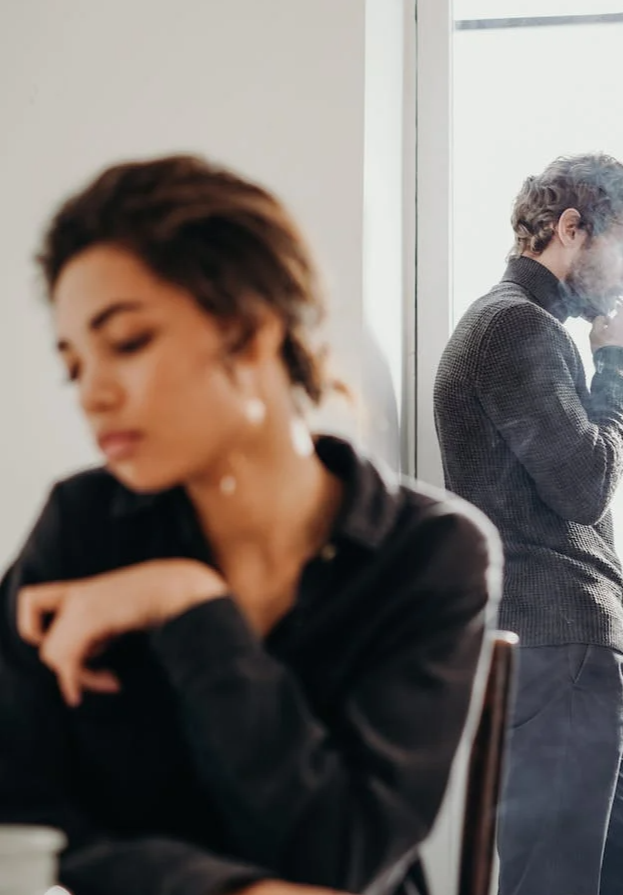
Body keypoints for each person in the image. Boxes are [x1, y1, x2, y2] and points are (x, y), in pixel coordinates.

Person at [0, 155, 501, 895]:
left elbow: (344, 858)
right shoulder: (82, 524)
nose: (93, 394)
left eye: (128, 342)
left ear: (253, 331)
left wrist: (188, 604)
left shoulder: (432, 553)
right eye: (74, 365)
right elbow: (17, 822)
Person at [433, 154, 623, 895]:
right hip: (557, 647)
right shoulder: (515, 326)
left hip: (566, 651)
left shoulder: (520, 325)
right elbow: (584, 483)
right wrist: (617, 366)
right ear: (571, 228)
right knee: (552, 883)